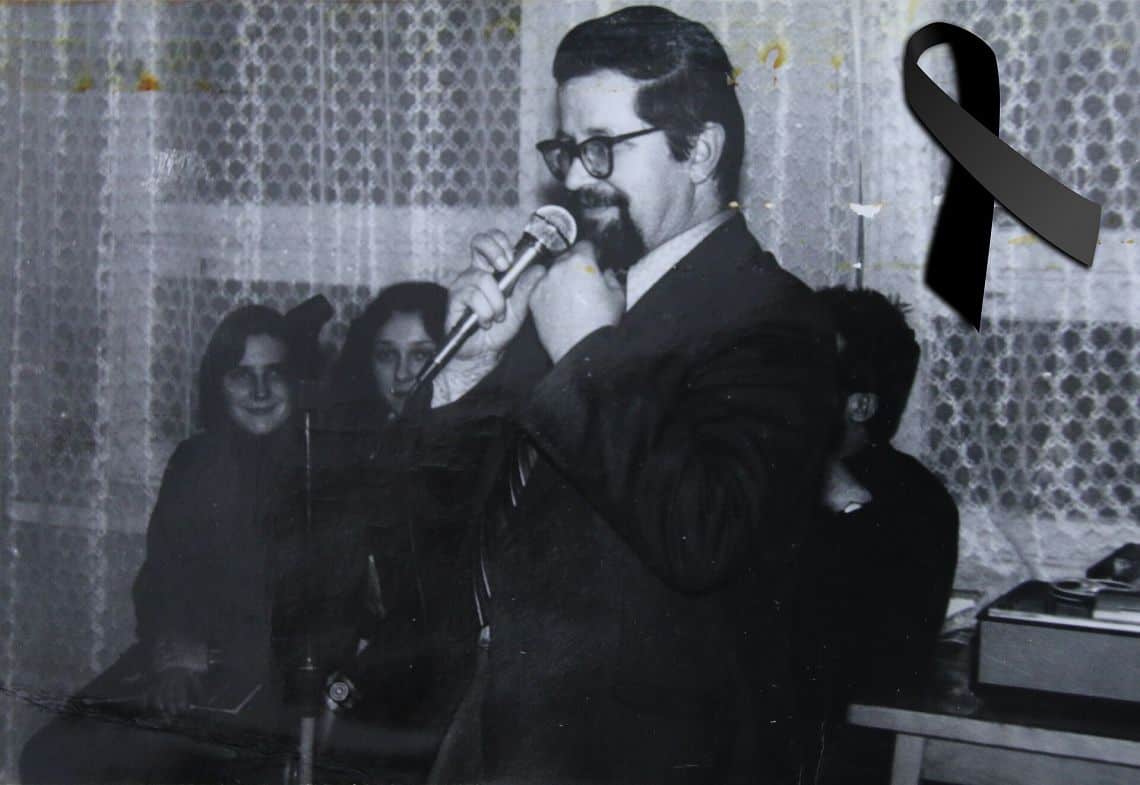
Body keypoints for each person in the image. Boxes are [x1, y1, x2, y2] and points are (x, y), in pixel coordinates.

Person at [404, 6, 839, 783]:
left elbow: (702, 537)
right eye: (567, 150)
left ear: (699, 151)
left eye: (602, 148)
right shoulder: (570, 297)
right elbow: (445, 542)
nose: (575, 178)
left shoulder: (776, 323)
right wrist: (467, 370)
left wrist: (585, 358)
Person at [19, 304, 344, 784]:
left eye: (274, 374)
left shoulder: (321, 469)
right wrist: (172, 651)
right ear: (218, 384)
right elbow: (160, 575)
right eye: (242, 375)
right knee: (52, 755)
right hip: (183, 665)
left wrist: (212, 656)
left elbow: (329, 606)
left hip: (279, 681)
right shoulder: (195, 459)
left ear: (295, 382)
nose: (259, 391)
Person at [308, 282, 484, 784]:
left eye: (422, 354)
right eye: (387, 355)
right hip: (352, 671)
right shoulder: (347, 446)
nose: (404, 374)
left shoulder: (468, 455)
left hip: (431, 689)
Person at [802, 286, 960, 784]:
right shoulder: (762, 471)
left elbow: (888, 659)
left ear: (860, 406)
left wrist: (852, 511)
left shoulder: (917, 502)